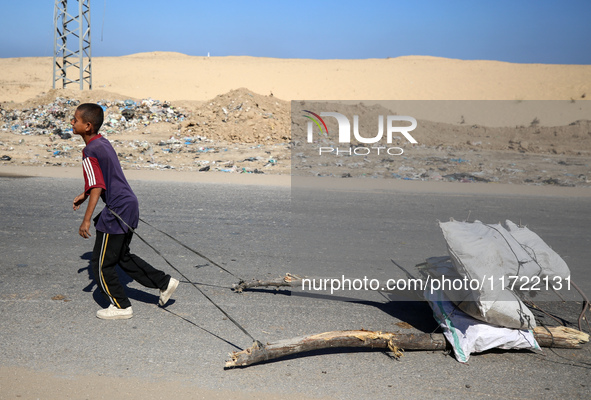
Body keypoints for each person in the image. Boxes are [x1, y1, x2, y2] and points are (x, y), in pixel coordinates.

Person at [72, 103, 179, 320]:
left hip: (117, 209)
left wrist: (85, 220)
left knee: (101, 265)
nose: (71, 122)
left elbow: (98, 186)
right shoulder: (102, 142)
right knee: (121, 256)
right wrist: (84, 195)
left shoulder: (89, 151)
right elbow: (103, 177)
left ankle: (121, 306)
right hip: (129, 203)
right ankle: (164, 282)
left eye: (75, 120)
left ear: (88, 126)